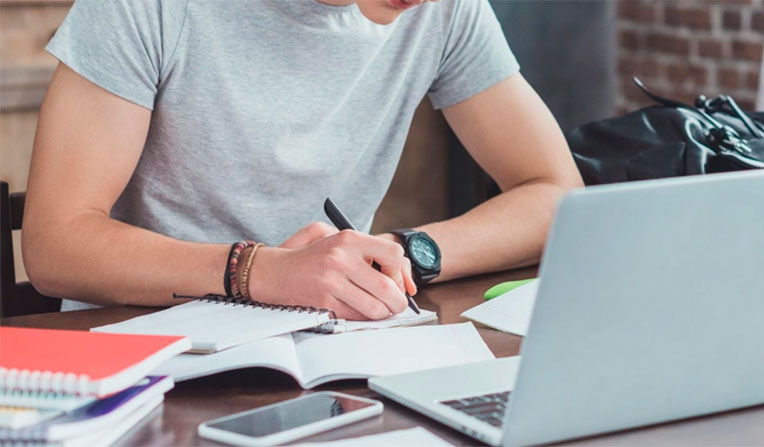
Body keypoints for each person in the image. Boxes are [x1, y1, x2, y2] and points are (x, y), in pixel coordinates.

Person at [22, 0, 583, 320]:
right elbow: (56, 245)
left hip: (332, 345)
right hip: (144, 349)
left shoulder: (442, 11)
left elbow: (554, 191)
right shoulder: (145, 8)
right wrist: (266, 272)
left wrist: (402, 252)